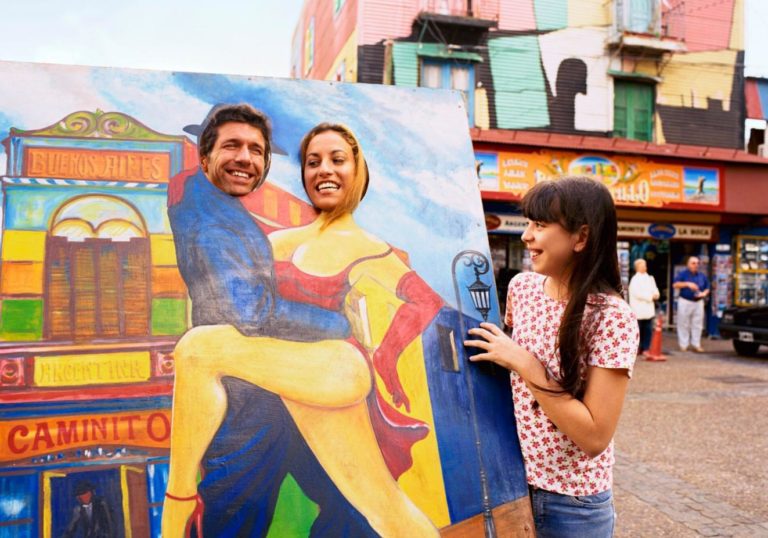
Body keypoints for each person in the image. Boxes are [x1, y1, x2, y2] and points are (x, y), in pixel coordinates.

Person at [164, 110, 440, 537]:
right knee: (376, 506)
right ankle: (180, 503)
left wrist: (385, 357)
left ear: (357, 169)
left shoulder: (366, 246)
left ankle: (176, 508)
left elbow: (424, 300)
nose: (324, 170)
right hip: (283, 379)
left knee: (198, 349)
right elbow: (244, 300)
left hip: (330, 368)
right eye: (313, 161)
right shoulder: (274, 236)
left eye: (337, 160)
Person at [464, 176, 639, 538]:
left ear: (581, 237)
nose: (527, 235)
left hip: (572, 505)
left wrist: (528, 366)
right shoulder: (522, 288)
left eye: (540, 225)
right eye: (528, 223)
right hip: (508, 486)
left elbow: (593, 437)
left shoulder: (612, 316)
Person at [672, 256, 710, 352]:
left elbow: (707, 287)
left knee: (698, 324)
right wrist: (687, 284)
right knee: (683, 323)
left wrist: (704, 293)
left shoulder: (702, 275)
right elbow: (675, 284)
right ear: (688, 264)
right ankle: (683, 344)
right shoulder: (683, 274)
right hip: (685, 300)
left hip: (698, 301)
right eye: (693, 263)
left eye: (697, 263)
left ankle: (696, 344)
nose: (696, 265)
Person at [628, 258, 660, 355]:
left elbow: (655, 289)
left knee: (648, 330)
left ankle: (646, 348)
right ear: (637, 267)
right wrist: (650, 296)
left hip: (649, 310)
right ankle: (637, 348)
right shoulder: (634, 279)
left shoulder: (650, 278)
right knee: (638, 330)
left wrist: (656, 294)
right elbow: (637, 293)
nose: (644, 267)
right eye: (642, 266)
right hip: (638, 310)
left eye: (645, 265)